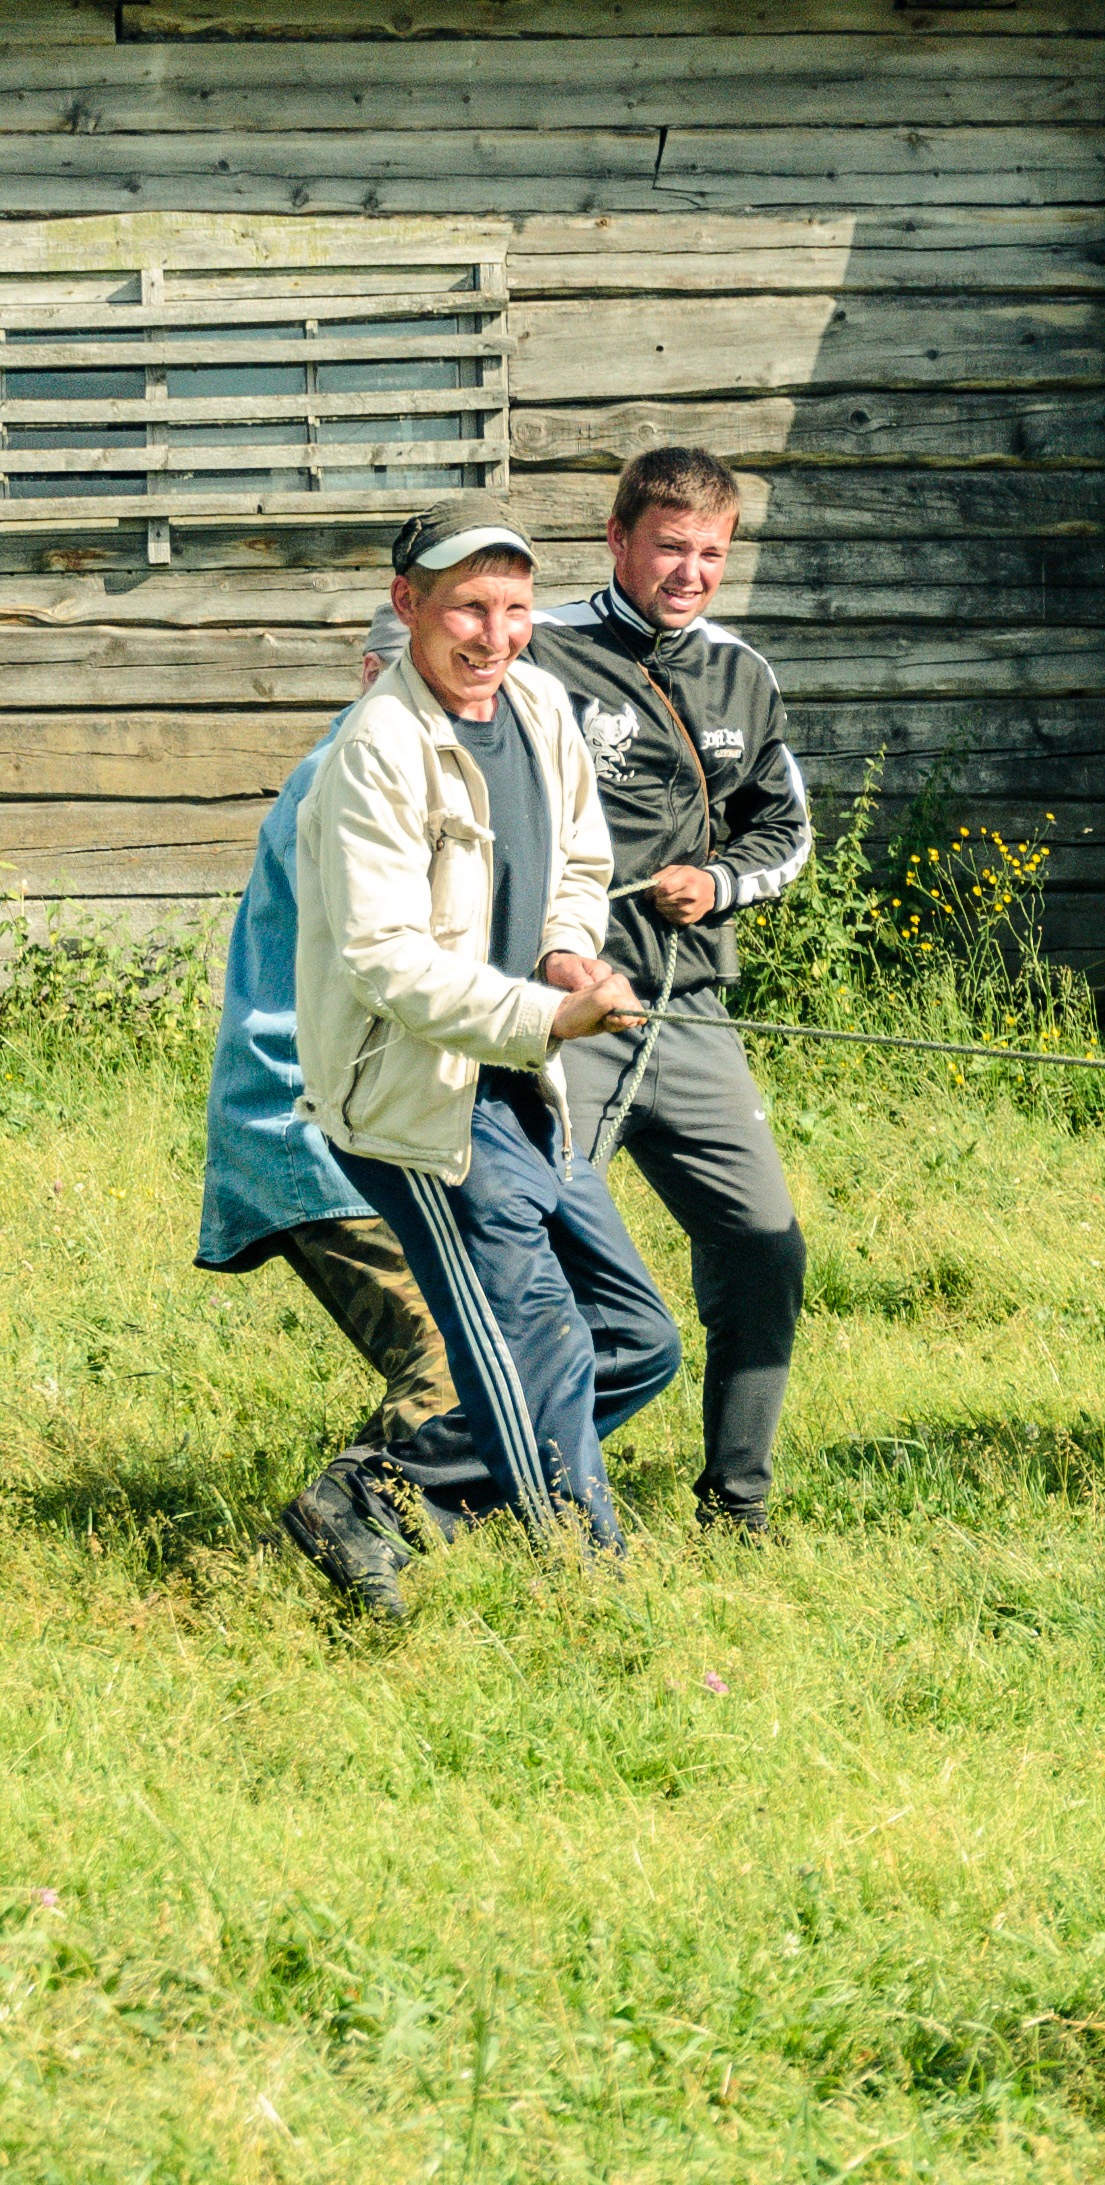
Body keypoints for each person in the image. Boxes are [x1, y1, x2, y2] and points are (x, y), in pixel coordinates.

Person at [297, 502, 683, 1553]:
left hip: (525, 1077)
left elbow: (580, 865)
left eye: (514, 607)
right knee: (537, 1346)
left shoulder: (541, 704)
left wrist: (565, 948)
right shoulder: (374, 752)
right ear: (407, 605)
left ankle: (381, 1492)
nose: (494, 634)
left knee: (636, 1339)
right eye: (468, 607)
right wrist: (550, 1011)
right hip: (422, 1097)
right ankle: (581, 1577)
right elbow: (383, 959)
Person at [526, 445, 814, 1539]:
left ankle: (736, 1502)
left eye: (711, 552)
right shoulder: (540, 649)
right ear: (617, 540)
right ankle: (528, 1483)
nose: (690, 571)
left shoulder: (743, 671)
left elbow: (786, 828)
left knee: (763, 1243)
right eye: (669, 547)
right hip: (561, 1007)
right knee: (545, 1248)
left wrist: (722, 880)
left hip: (689, 1009)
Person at [199, 605, 481, 1619]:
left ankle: (391, 1521)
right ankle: (349, 1514)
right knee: (461, 1358)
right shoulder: (351, 781)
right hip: (317, 1126)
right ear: (373, 668)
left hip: (354, 1121)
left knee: (499, 1340)